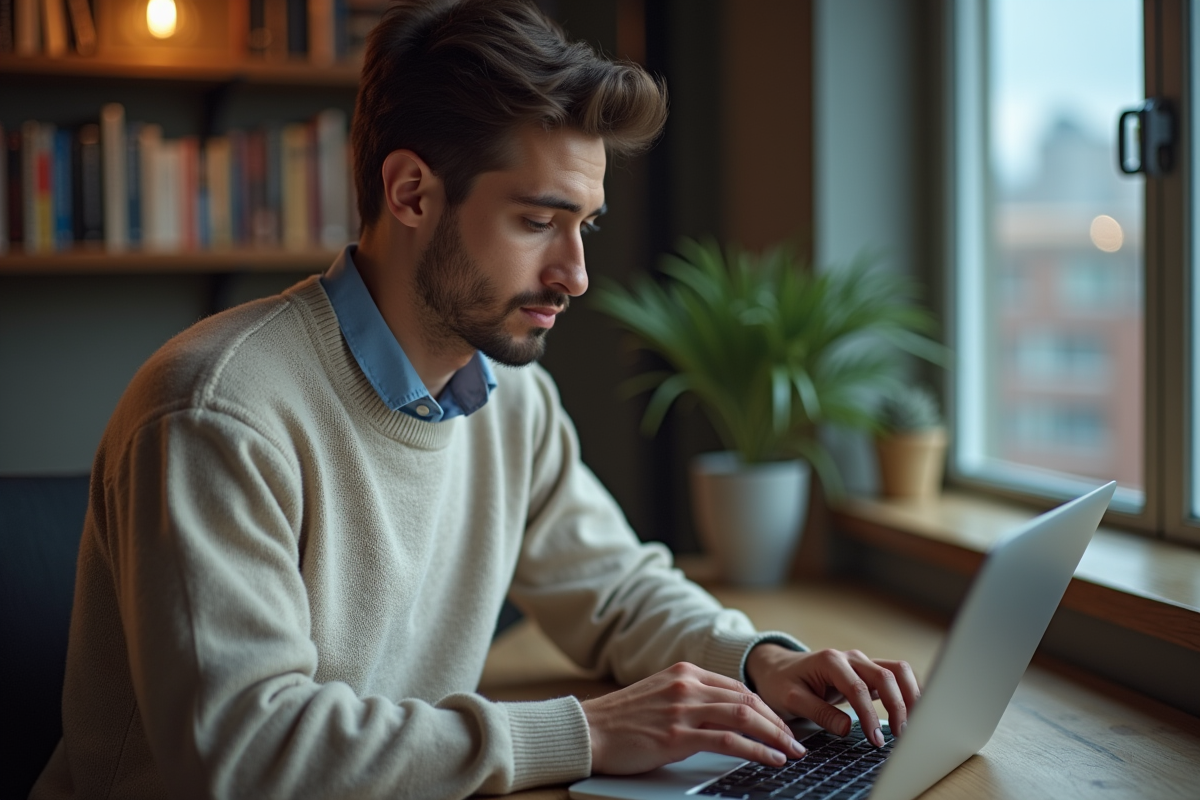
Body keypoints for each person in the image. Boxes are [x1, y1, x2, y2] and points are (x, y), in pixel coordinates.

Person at [31, 1, 919, 798]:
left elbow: (613, 587)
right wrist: (588, 733)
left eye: (586, 224)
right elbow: (244, 755)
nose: (575, 274)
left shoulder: (511, 397)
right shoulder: (216, 411)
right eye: (538, 221)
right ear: (411, 191)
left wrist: (760, 661)